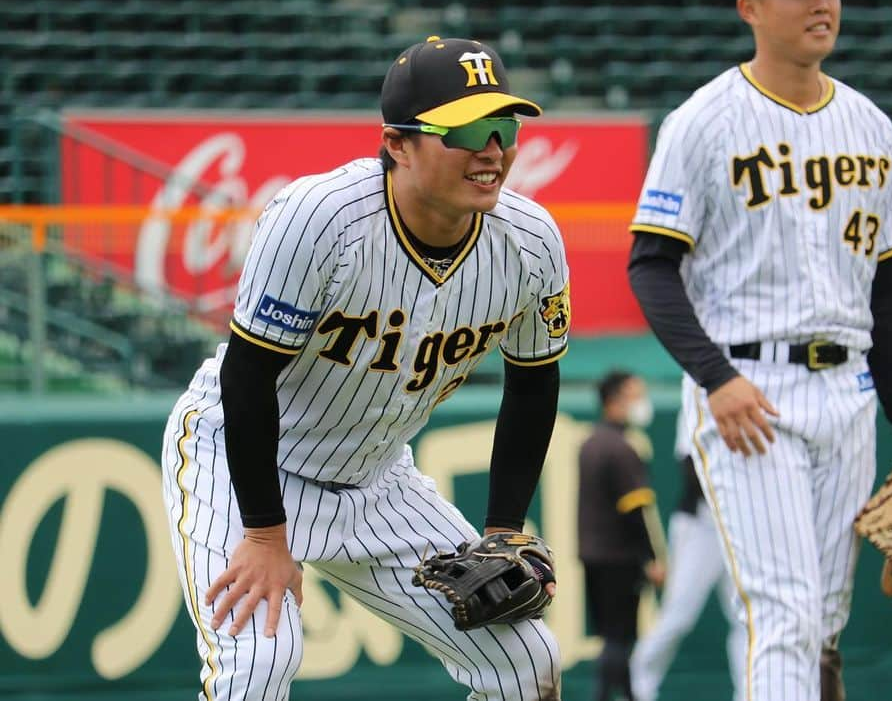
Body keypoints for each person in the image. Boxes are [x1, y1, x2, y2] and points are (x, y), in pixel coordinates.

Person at [160, 35, 570, 701]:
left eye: (504, 126)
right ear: (397, 144)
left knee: (527, 663)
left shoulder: (530, 241)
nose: (493, 149)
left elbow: (532, 383)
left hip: (376, 478)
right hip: (241, 463)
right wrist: (265, 534)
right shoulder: (320, 218)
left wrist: (502, 530)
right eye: (465, 130)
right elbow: (247, 376)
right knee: (259, 663)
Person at [626, 0, 892, 699]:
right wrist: (714, 377)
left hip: (849, 389)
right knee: (786, 614)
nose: (820, 3)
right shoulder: (703, 122)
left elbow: (888, 294)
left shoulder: (870, 126)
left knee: (824, 621)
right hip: (747, 390)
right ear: (751, 9)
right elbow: (650, 266)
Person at [577, 370, 665, 701]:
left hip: (592, 554)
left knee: (611, 638)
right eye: (635, 395)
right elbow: (634, 512)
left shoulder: (591, 443)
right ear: (615, 399)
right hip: (619, 558)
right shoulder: (621, 449)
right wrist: (651, 559)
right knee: (619, 638)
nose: (642, 402)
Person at [629, 407, 727, 701]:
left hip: (741, 526)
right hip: (701, 526)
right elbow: (690, 465)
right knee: (678, 614)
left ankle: (754, 692)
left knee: (747, 618)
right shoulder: (697, 395)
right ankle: (638, 686)